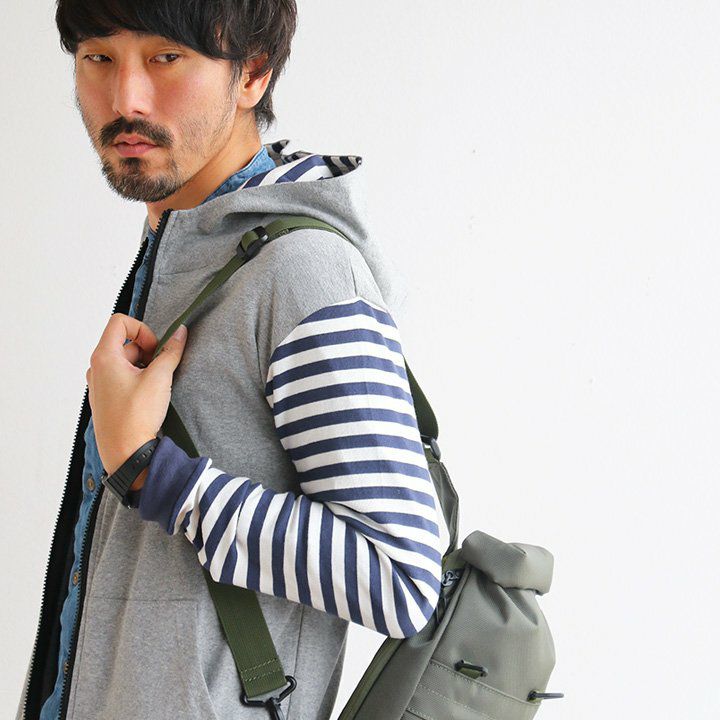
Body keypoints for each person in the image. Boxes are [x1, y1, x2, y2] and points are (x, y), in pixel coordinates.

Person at [15, 2, 448, 719]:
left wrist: (153, 474)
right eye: (98, 58)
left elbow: (401, 577)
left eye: (166, 58)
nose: (125, 99)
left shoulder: (300, 271)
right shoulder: (179, 248)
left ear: (252, 73)